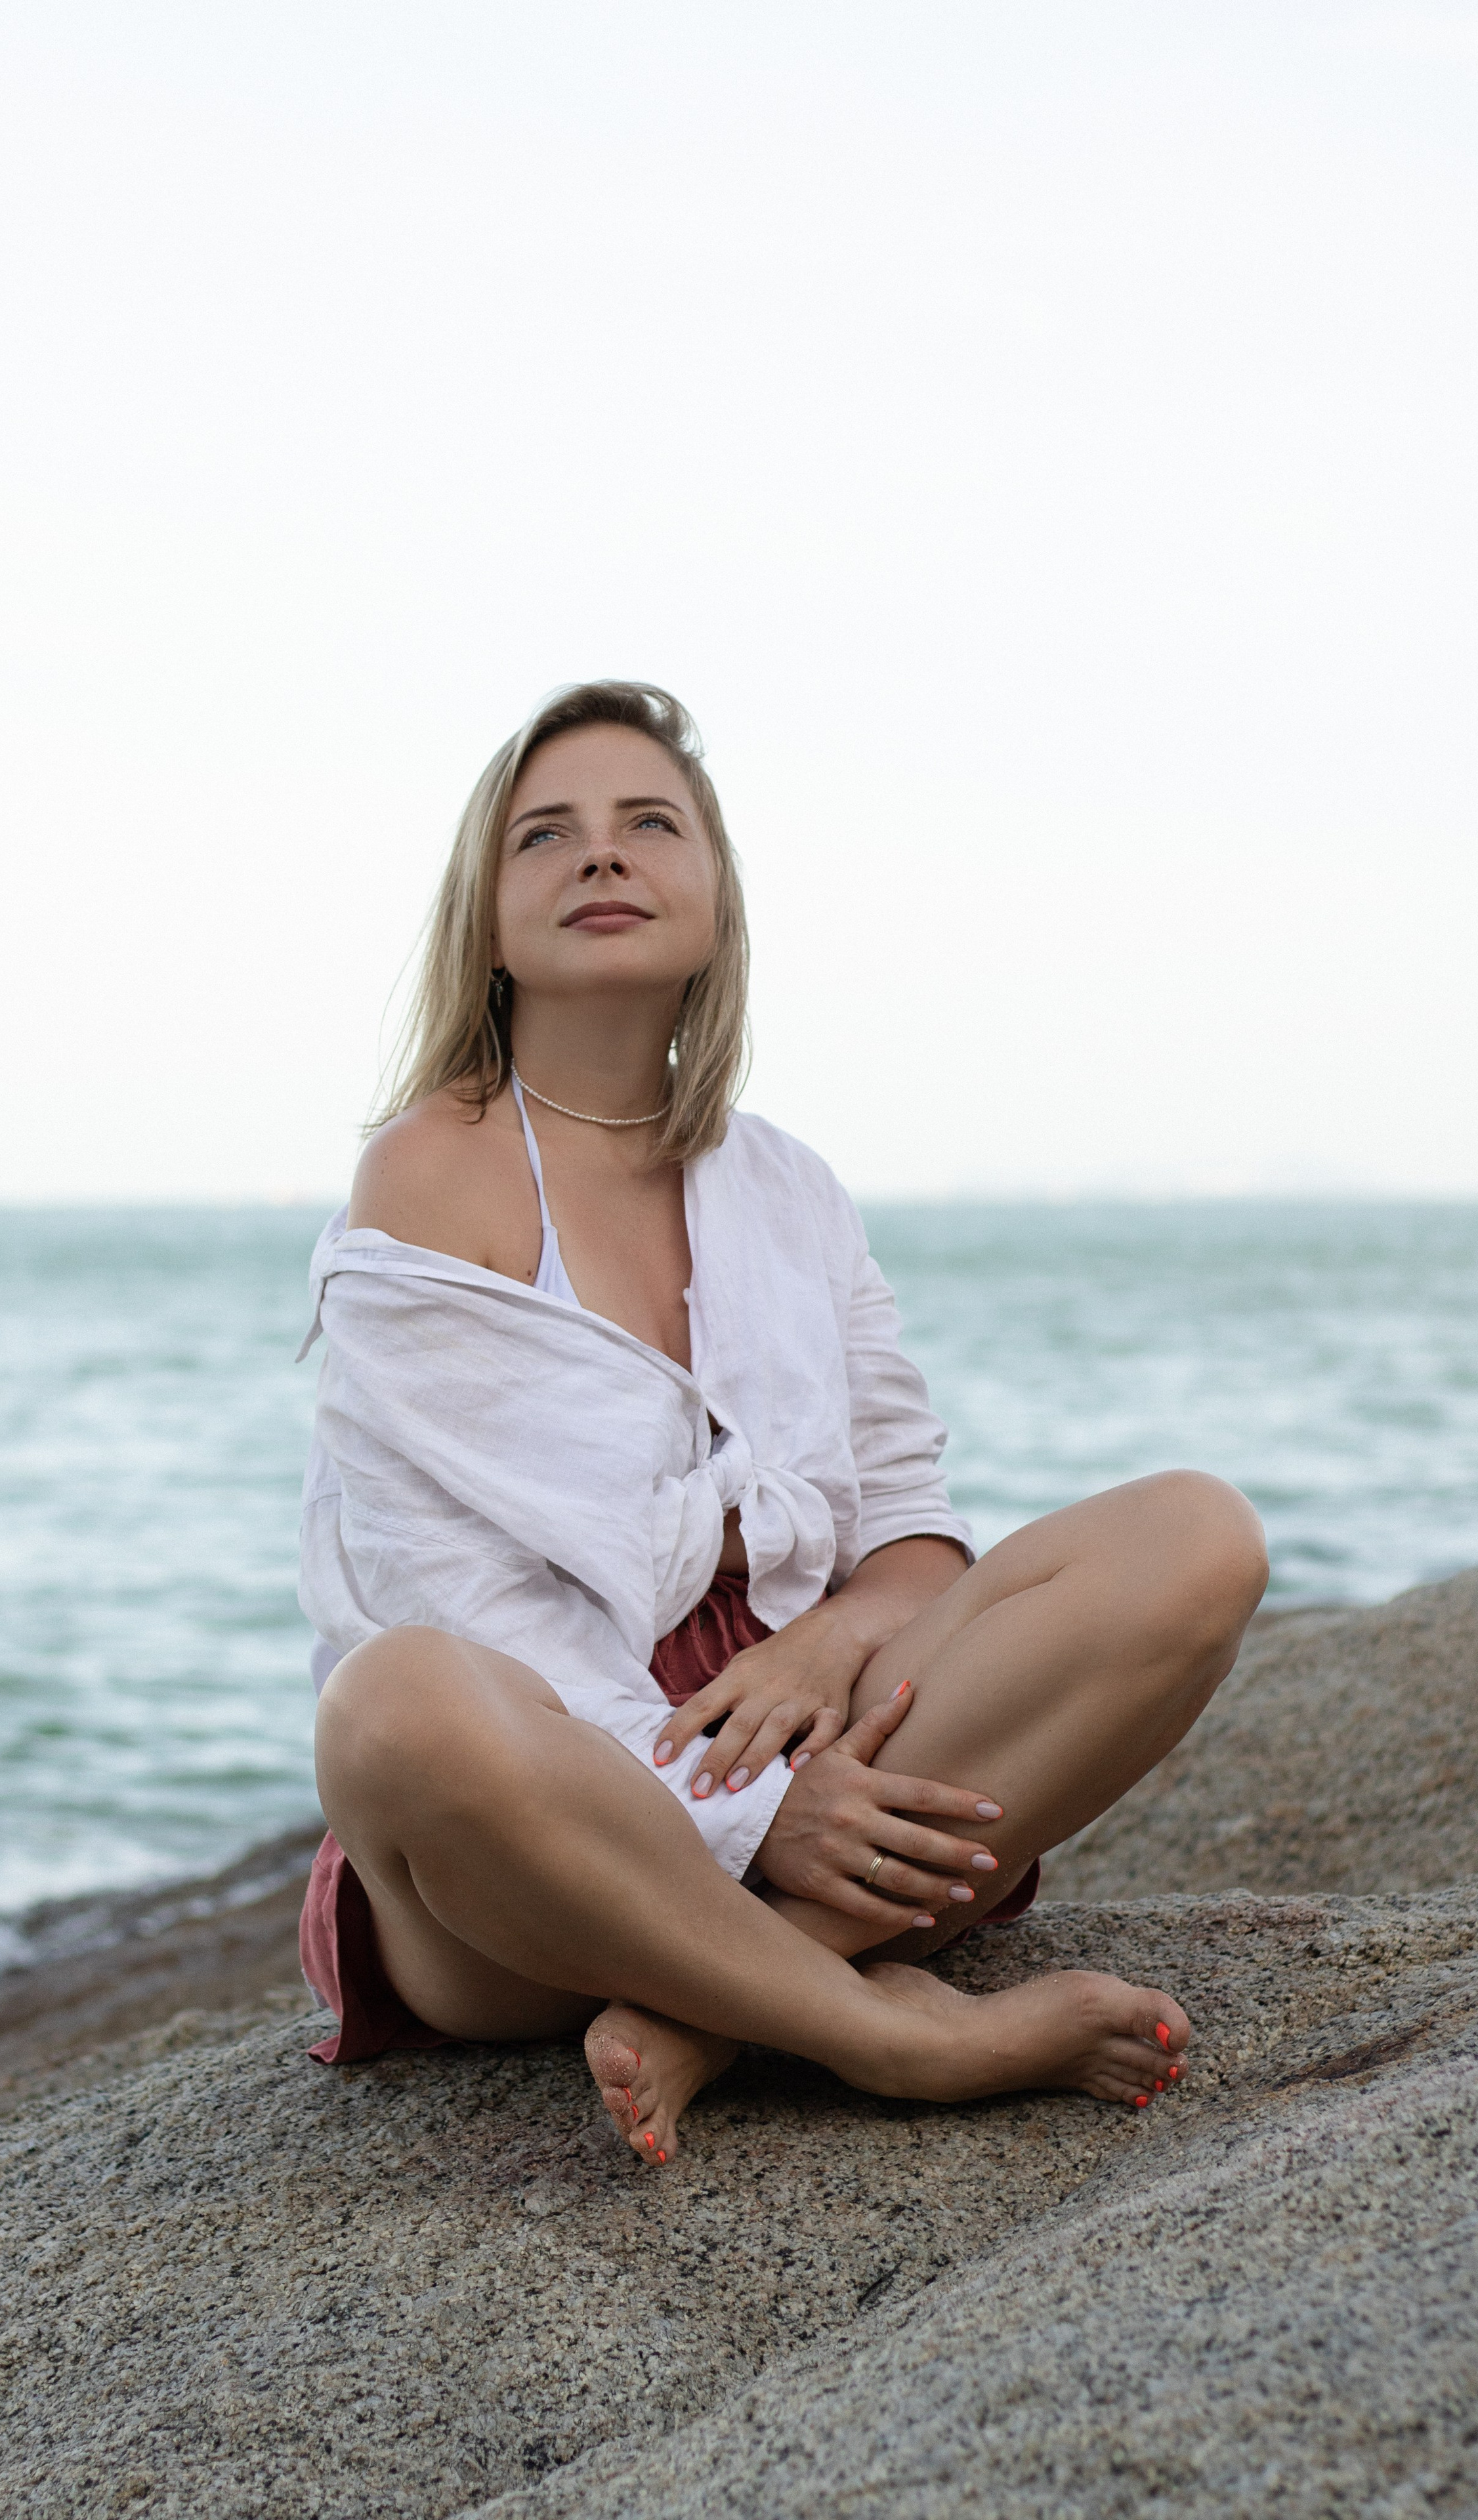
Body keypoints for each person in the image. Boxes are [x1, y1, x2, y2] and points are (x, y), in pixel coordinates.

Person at [298, 681, 1267, 2166]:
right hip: (550, 1822)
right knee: (392, 1705)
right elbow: (459, 1604)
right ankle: (886, 2034)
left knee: (1194, 1536)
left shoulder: (792, 1189)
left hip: (816, 1751)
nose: (601, 856)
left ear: (714, 897)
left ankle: (725, 2013)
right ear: (486, 921)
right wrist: (743, 1819)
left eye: (648, 824)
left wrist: (827, 1646)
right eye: (544, 833)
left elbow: (909, 1536)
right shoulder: (430, 1174)